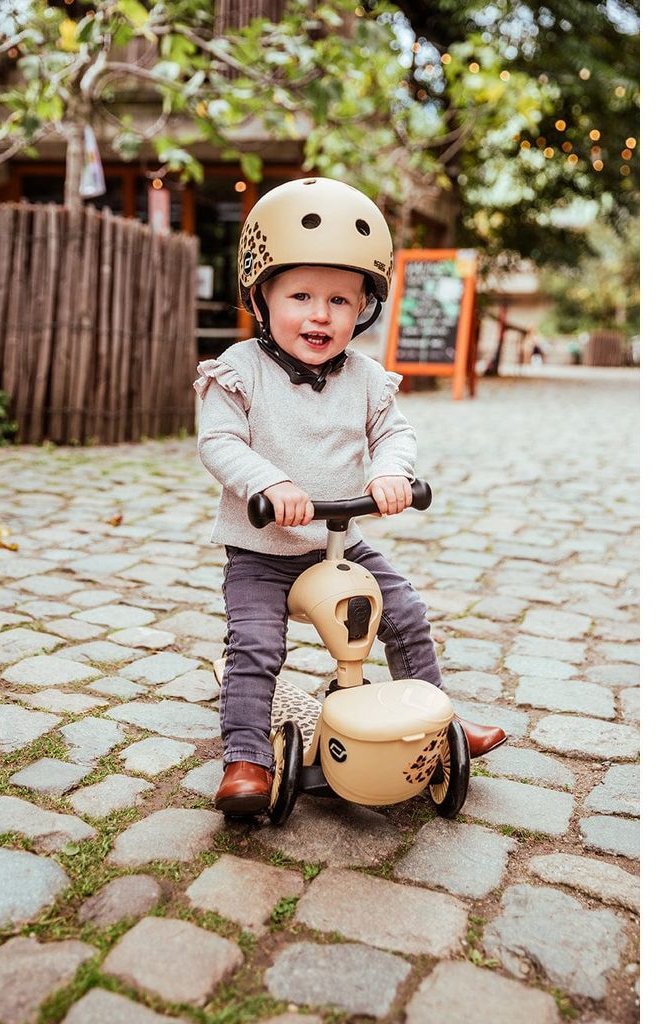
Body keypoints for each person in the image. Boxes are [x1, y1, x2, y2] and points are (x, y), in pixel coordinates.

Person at [194, 177, 507, 816]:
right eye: (301, 295)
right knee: (255, 643)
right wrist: (268, 482)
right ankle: (247, 756)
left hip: (343, 544)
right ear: (261, 294)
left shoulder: (365, 377)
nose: (320, 314)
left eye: (340, 299)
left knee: (407, 615)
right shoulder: (239, 370)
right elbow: (219, 443)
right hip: (261, 547)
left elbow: (395, 431)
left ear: (363, 306)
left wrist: (389, 473)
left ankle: (432, 724)